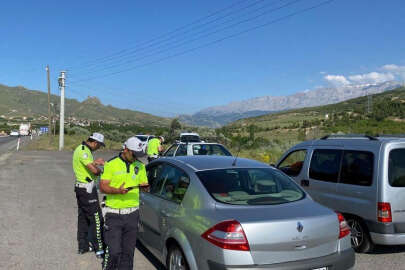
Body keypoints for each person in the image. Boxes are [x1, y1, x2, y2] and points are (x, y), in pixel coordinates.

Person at [100, 137, 149, 270]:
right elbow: (102, 187)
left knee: (128, 253)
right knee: (114, 252)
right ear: (126, 150)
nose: (136, 158)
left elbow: (144, 184)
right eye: (134, 154)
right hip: (113, 214)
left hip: (132, 214)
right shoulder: (111, 164)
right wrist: (117, 191)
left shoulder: (140, 166)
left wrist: (146, 187)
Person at [72, 132, 106, 258]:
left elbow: (87, 165)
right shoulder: (84, 151)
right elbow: (93, 170)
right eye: (100, 146)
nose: (99, 148)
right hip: (87, 190)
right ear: (95, 143)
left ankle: (83, 246)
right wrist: (100, 169)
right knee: (97, 218)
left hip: (81, 188)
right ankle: (99, 249)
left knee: (83, 217)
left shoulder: (82, 149)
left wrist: (95, 162)